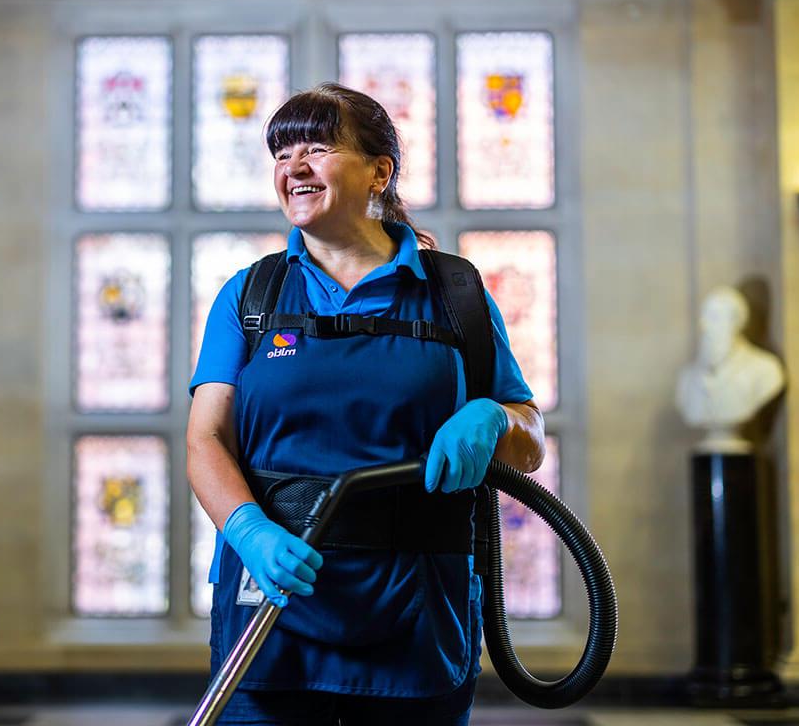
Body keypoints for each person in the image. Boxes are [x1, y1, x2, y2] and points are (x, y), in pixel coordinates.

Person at [186, 82, 545, 725]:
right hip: (274, 602)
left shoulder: (454, 294)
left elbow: (530, 441)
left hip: (417, 610)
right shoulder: (251, 297)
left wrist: (492, 418)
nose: (293, 166)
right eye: (280, 153)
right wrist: (250, 531)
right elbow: (206, 440)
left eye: (318, 148)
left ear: (380, 170)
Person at [675, 286, 785, 454]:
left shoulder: (765, 370)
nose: (704, 325)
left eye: (714, 317)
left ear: (736, 323)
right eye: (704, 316)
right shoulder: (688, 378)